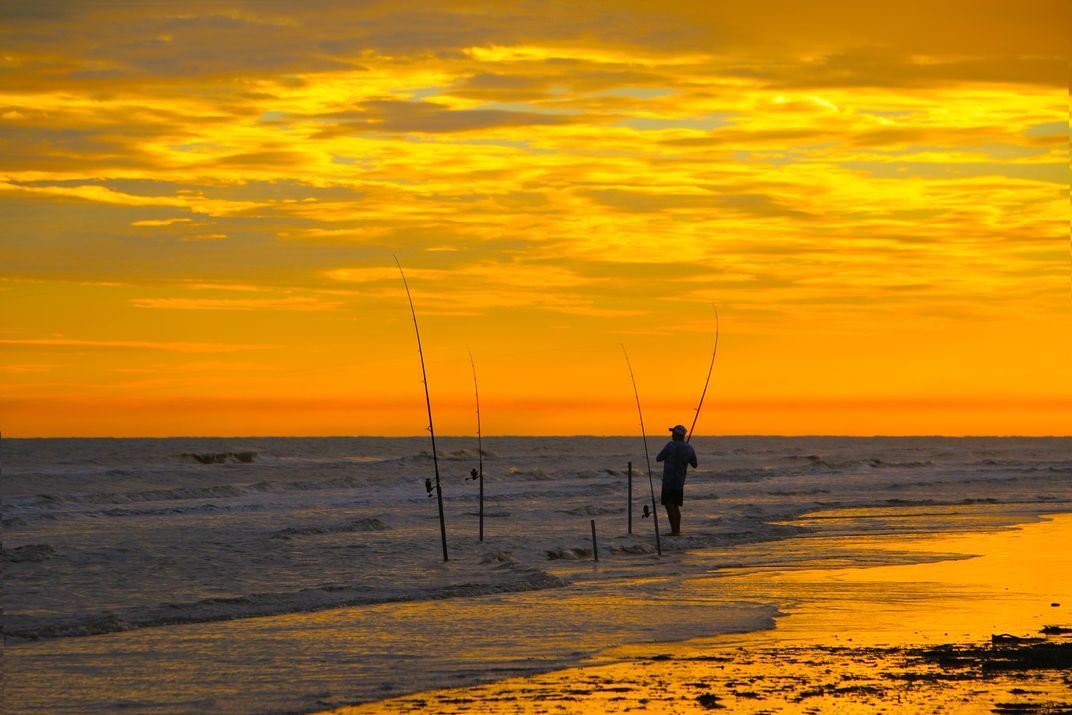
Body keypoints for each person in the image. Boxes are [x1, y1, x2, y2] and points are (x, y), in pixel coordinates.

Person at [655, 424, 697, 536]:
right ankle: (677, 530)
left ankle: (674, 531)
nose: (672, 434)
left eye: (673, 433)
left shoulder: (670, 446)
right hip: (679, 482)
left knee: (669, 506)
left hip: (668, 482)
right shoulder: (689, 448)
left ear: (677, 435)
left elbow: (658, 458)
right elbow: (695, 464)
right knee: (676, 506)